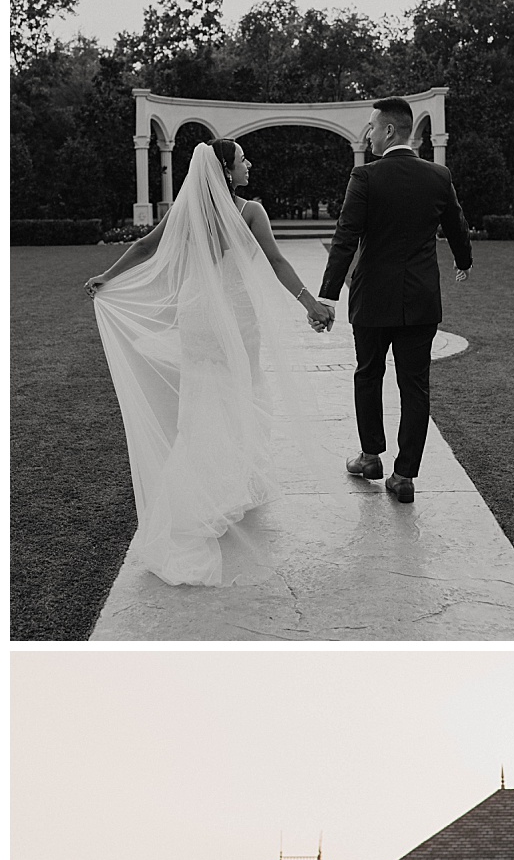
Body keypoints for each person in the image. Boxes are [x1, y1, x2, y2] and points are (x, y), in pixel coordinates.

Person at [85, 140, 333, 586]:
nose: (249, 164)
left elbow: (144, 246)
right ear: (225, 168)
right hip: (236, 320)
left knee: (201, 407)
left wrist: (108, 275)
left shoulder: (188, 212)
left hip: (198, 316)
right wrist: (310, 303)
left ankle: (201, 490)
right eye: (242, 160)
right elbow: (276, 262)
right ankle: (226, 485)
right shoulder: (250, 211)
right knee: (242, 396)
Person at [317, 96, 473, 503]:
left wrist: (328, 293)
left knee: (368, 374)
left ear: (389, 130)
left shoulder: (364, 177)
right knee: (415, 385)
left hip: (371, 299)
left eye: (372, 127)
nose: (368, 134)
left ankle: (370, 457)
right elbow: (456, 226)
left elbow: (346, 236)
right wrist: (464, 260)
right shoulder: (439, 176)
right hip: (420, 299)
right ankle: (404, 477)